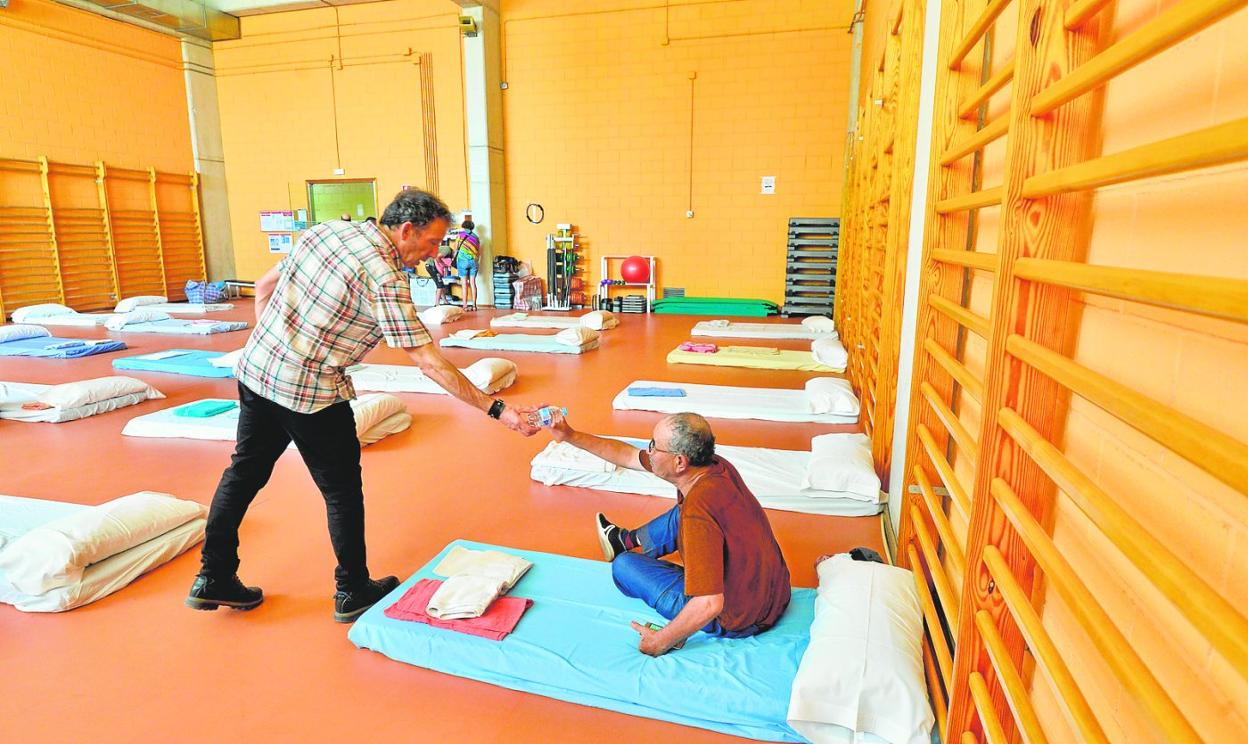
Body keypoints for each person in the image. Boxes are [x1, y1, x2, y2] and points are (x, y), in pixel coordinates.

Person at [186, 189, 542, 622]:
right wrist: (500, 411)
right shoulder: (386, 278)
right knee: (341, 492)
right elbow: (429, 363)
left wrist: (277, 346)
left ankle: (213, 576)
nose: (431, 255)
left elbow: (264, 286)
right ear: (406, 230)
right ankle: (352, 589)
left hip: (258, 371)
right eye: (430, 243)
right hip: (311, 393)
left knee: (243, 473)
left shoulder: (326, 231)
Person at [545, 411, 791, 656]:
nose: (648, 451)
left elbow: (709, 603)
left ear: (679, 462)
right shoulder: (716, 467)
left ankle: (624, 548)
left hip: (738, 618)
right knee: (680, 513)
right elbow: (627, 455)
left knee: (624, 566)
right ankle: (624, 539)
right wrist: (569, 435)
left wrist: (659, 641)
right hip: (777, 594)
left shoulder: (698, 512)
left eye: (654, 446)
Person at [452, 217, 480, 311]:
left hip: (462, 261)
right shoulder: (476, 237)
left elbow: (455, 248)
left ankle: (465, 305)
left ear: (464, 226)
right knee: (473, 283)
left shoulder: (460, 235)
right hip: (473, 261)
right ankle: (474, 305)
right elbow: (478, 251)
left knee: (464, 284)